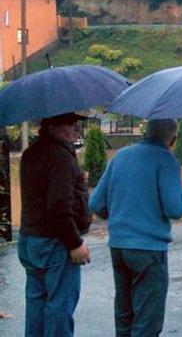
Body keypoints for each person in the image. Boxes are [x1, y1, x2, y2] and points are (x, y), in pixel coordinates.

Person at [89, 119, 182, 337]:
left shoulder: (121, 156)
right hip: (149, 251)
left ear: (146, 131)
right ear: (172, 139)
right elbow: (176, 208)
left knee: (125, 316)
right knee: (147, 322)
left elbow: (96, 203)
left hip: (118, 246)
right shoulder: (166, 159)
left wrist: (120, 217)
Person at [18, 112, 91, 337]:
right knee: (59, 305)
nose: (76, 128)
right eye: (70, 124)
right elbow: (59, 207)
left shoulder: (31, 153)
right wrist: (75, 243)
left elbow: (41, 194)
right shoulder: (60, 157)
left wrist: (76, 183)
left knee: (37, 303)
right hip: (55, 243)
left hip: (31, 239)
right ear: (52, 127)